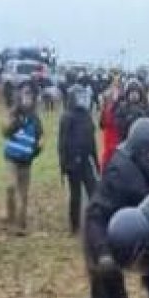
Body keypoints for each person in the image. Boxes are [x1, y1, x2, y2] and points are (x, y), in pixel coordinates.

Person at [26, 118, 149, 298]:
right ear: (140, 149)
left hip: (108, 242)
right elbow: (95, 214)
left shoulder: (136, 169)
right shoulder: (123, 175)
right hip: (100, 244)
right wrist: (102, 253)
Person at [3, 80, 44, 236]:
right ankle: (10, 217)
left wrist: (34, 152)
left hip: (26, 161)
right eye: (24, 93)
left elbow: (41, 139)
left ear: (34, 98)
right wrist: (16, 123)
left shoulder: (35, 118)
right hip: (11, 158)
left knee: (23, 193)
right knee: (11, 186)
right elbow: (5, 132)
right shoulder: (14, 113)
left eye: (30, 94)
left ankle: (21, 224)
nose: (27, 97)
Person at [58, 84, 99, 234]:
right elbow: (62, 143)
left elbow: (92, 140)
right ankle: (74, 226)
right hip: (72, 162)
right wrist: (63, 165)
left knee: (94, 191)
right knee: (75, 195)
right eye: (79, 97)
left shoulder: (87, 116)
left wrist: (96, 161)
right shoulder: (67, 117)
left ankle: (95, 222)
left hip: (86, 161)